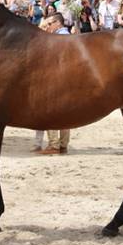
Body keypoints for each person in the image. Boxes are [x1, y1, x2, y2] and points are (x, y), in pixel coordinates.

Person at [39, 12, 70, 155]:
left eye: (50, 23)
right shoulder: (66, 35)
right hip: (66, 78)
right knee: (65, 113)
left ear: (58, 23)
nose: (49, 26)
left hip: (57, 78)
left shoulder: (59, 37)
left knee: (48, 111)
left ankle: (53, 145)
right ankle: (63, 144)